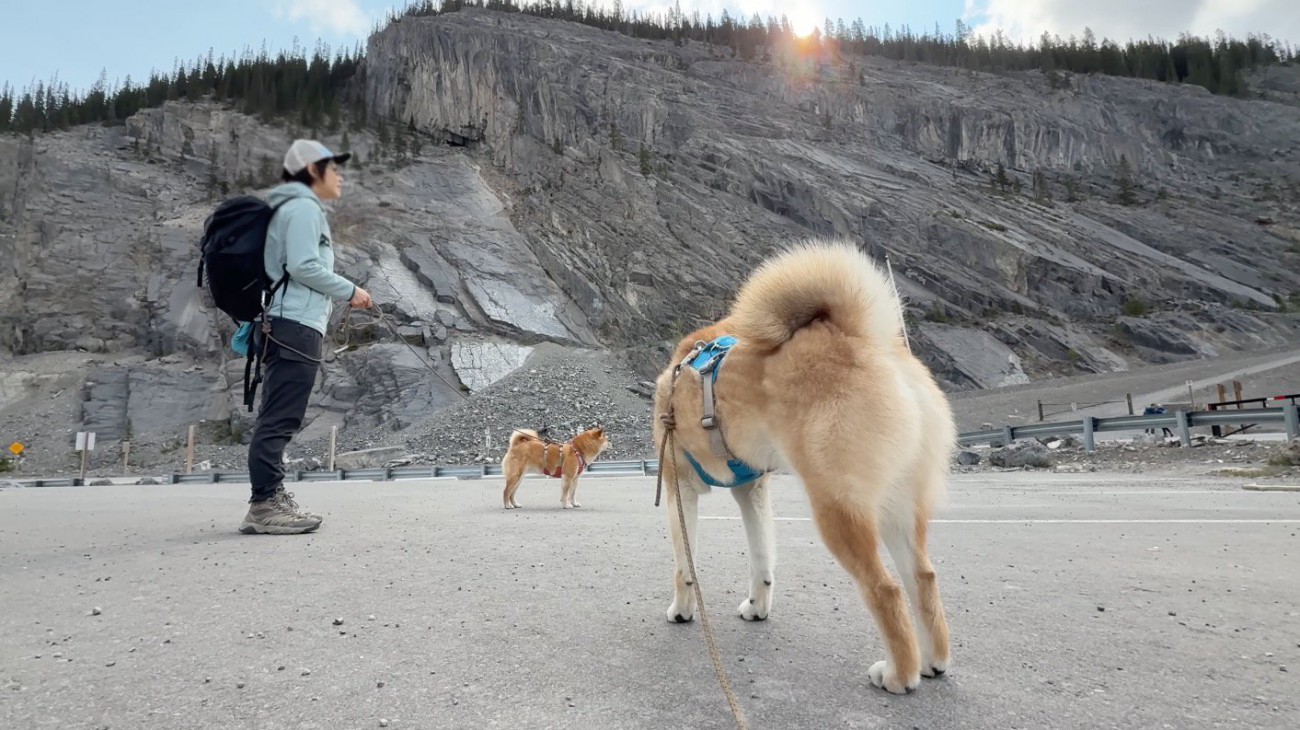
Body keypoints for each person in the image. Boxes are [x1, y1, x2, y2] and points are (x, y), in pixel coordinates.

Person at [239, 140, 372, 535]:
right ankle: (265, 504)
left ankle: (269, 497)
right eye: (334, 168)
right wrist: (351, 291)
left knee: (280, 415)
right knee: (280, 417)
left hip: (288, 323)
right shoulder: (303, 207)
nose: (341, 176)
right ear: (313, 171)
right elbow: (302, 265)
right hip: (294, 325)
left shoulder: (293, 207)